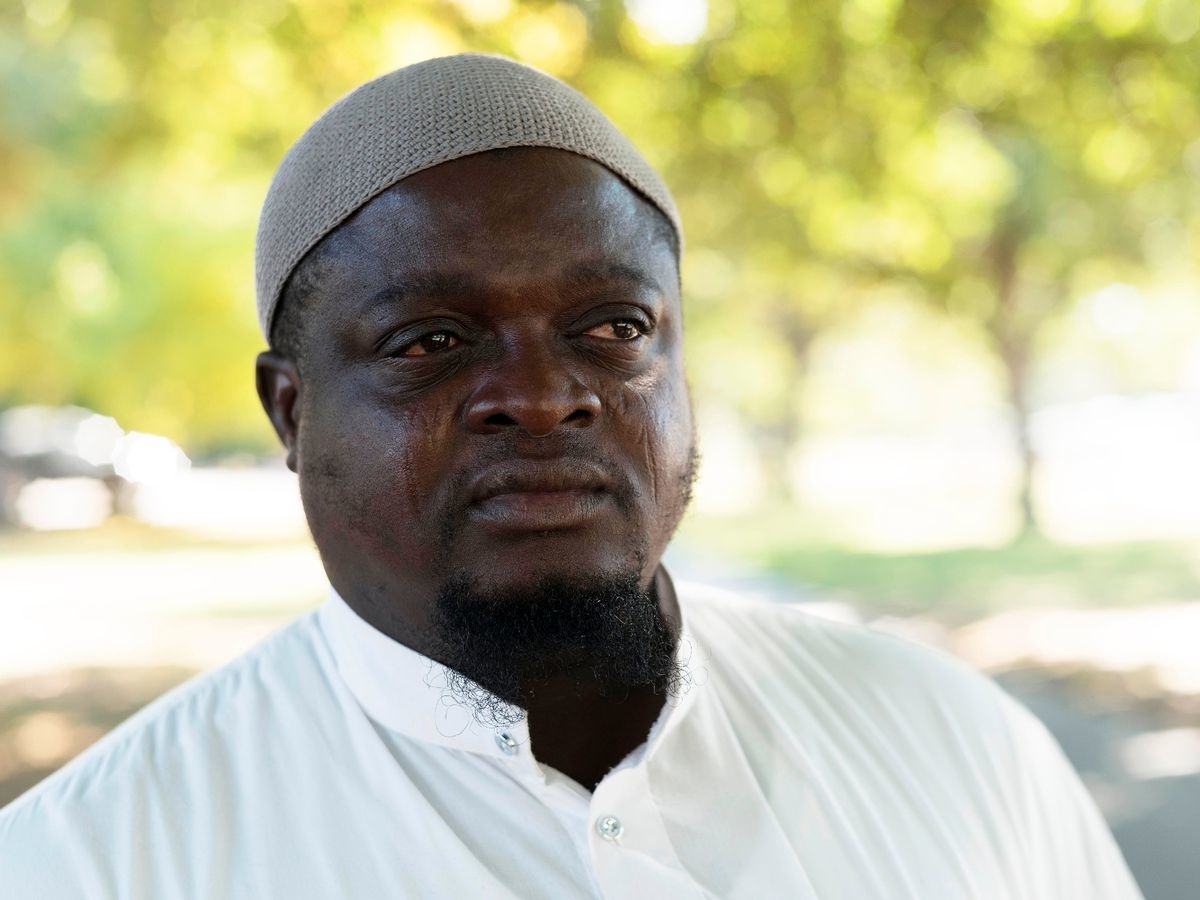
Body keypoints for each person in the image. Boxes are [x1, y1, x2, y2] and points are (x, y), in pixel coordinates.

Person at [0, 53, 1142, 899]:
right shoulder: (93, 862)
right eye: (431, 341)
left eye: (613, 327)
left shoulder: (952, 744)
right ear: (290, 412)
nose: (544, 396)